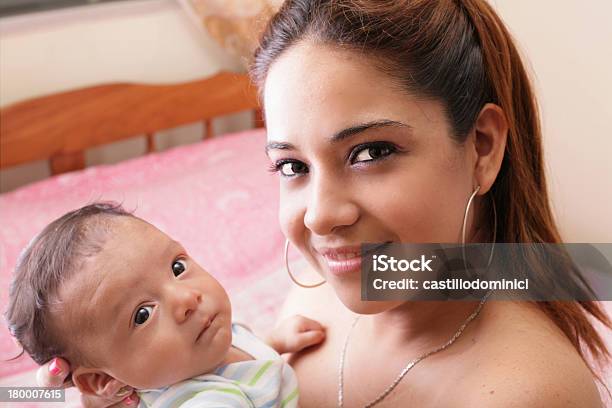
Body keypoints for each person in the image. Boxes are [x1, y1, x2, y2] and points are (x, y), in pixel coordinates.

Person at [37, 0, 611, 406]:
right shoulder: (323, 287)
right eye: (292, 166)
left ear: (481, 148)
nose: (319, 215)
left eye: (370, 152)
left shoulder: (523, 394)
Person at [8, 203, 325, 407]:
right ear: (103, 381)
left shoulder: (203, 341)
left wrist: (272, 341)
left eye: (177, 268)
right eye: (142, 315)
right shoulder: (208, 400)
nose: (186, 299)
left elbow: (238, 357)